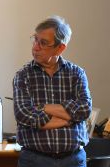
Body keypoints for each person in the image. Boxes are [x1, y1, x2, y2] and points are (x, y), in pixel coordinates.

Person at [13, 16, 92, 167]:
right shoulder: (23, 76)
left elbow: (84, 110)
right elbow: (24, 115)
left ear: (60, 48)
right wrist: (68, 119)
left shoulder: (77, 74)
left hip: (73, 160)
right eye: (35, 40)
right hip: (34, 160)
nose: (35, 47)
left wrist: (43, 107)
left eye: (43, 43)